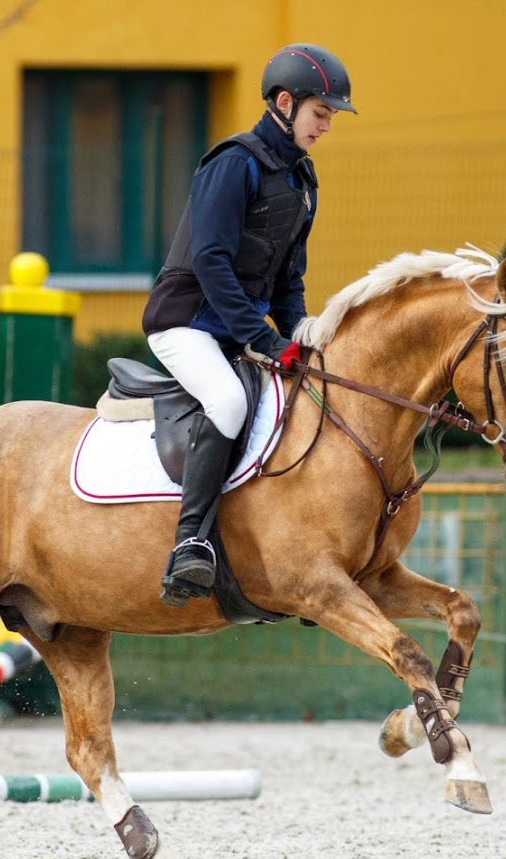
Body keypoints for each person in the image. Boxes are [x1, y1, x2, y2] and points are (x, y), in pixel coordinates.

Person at [141, 43, 356, 606]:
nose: (326, 127)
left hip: (235, 330)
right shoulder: (232, 163)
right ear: (285, 103)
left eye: (330, 117)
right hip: (185, 323)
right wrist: (263, 339)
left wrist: (298, 337)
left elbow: (288, 279)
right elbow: (211, 261)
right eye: (320, 114)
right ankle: (189, 543)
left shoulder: (302, 182)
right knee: (230, 404)